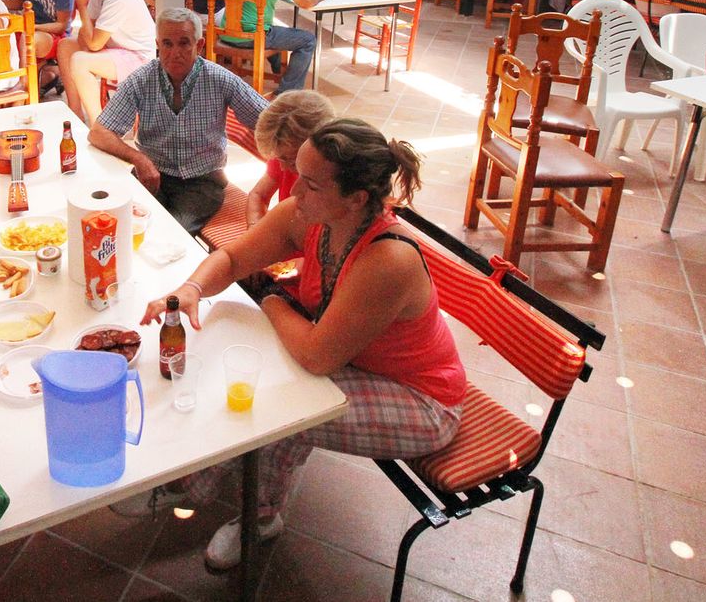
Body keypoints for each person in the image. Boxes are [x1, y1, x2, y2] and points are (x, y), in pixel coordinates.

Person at [121, 119, 465, 571]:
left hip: (422, 400)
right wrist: (191, 290)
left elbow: (318, 355)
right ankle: (192, 480)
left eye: (311, 184)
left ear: (357, 199)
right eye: (294, 172)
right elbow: (232, 257)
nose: (294, 190)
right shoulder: (313, 217)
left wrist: (269, 300)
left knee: (288, 415)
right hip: (354, 361)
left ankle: (258, 518)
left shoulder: (388, 258)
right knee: (243, 359)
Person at [89, 9, 268, 232]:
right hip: (152, 175)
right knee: (121, 223)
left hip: (203, 182)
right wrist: (140, 160)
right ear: (158, 44)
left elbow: (269, 121)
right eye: (167, 44)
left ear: (199, 45)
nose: (175, 53)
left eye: (184, 43)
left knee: (168, 233)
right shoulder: (142, 79)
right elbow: (98, 132)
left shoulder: (220, 79)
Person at [57, 0, 157, 122]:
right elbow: (87, 36)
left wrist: (81, 6)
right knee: (66, 46)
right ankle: (76, 112)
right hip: (115, 49)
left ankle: (99, 126)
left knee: (80, 61)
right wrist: (88, 32)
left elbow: (94, 43)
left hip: (138, 58)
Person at [246, 90, 336, 224]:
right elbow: (258, 195)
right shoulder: (286, 153)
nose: (282, 167)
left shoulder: (334, 176)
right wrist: (254, 226)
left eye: (292, 162)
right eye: (280, 159)